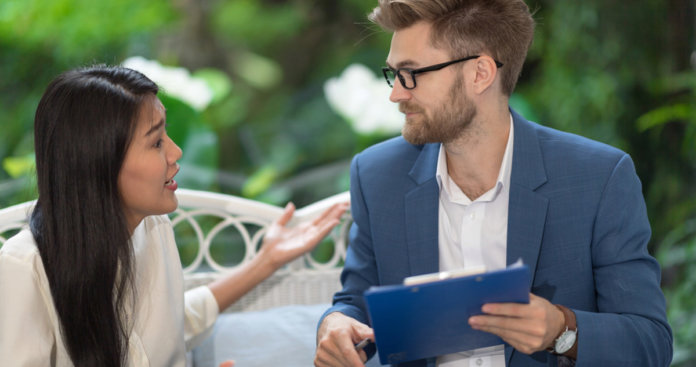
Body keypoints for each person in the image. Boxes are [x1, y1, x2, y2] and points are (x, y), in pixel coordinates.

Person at [314, 1, 672, 366]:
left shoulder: (598, 178)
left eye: (412, 74)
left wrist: (561, 331)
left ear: (480, 73)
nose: (396, 94)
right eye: (394, 74)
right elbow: (356, 302)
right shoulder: (377, 176)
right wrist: (335, 324)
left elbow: (650, 343)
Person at [0, 65, 348, 367]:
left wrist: (267, 260)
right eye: (155, 142)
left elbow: (173, 323)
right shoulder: (23, 270)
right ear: (99, 165)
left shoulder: (153, 228)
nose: (176, 152)